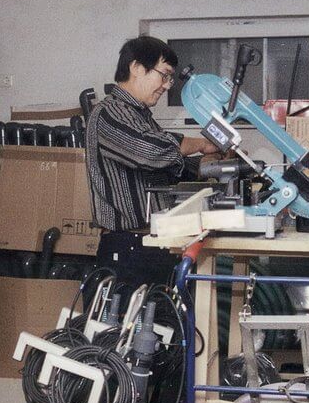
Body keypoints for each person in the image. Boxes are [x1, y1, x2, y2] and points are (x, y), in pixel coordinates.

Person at [85, 35, 219, 285]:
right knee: (129, 323)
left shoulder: (140, 116)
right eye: (164, 75)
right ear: (136, 68)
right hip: (128, 247)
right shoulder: (108, 113)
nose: (167, 85)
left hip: (152, 243)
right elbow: (149, 151)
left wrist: (209, 164)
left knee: (161, 322)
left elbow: (166, 166)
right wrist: (201, 143)